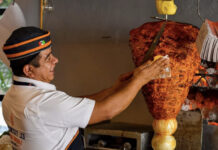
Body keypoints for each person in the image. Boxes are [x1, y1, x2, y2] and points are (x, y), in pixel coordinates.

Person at [2, 27, 169, 150]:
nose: (56, 60)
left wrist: (114, 89)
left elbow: (72, 106)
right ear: (28, 70)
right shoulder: (41, 103)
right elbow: (107, 111)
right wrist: (141, 79)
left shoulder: (13, 96)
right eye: (48, 58)